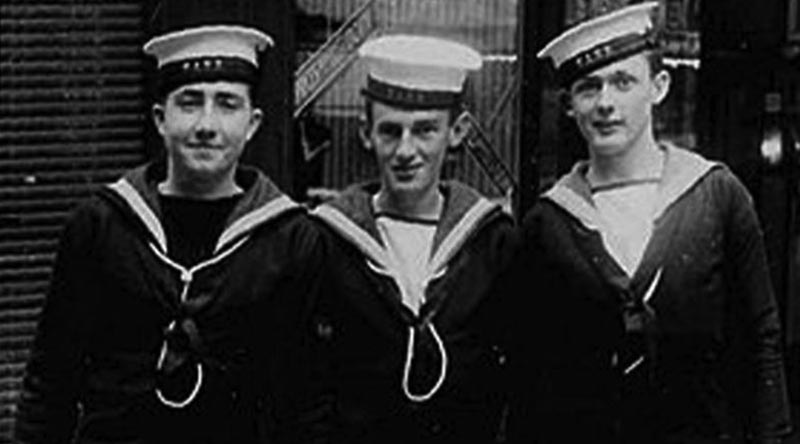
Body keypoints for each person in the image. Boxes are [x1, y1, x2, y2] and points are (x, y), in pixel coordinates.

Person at [14, 25, 324, 444]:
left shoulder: (289, 240)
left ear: (253, 124)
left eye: (227, 104)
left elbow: (302, 401)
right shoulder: (101, 225)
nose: (206, 124)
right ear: (161, 118)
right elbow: (50, 381)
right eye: (190, 103)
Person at [520, 2, 792, 443]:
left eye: (623, 82)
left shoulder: (716, 197)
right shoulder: (548, 223)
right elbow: (533, 374)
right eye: (588, 88)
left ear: (659, 87)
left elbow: (760, 343)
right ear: (570, 105)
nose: (605, 103)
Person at [309, 35, 519, 444]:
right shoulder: (328, 240)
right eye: (391, 131)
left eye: (425, 131)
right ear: (365, 132)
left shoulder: (492, 242)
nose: (406, 151)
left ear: (455, 132)